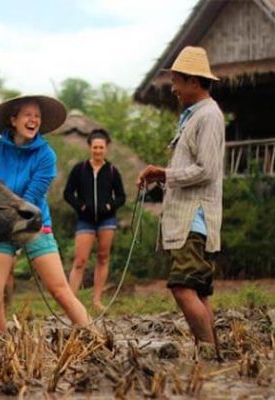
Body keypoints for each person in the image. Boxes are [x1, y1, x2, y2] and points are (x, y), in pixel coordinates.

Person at [137, 46, 224, 352]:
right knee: (198, 290)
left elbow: (206, 170)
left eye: (176, 81)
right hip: (189, 215)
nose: (173, 88)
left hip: (194, 217)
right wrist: (163, 175)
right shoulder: (193, 116)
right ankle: (214, 355)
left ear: (194, 82)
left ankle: (208, 352)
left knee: (182, 286)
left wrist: (164, 174)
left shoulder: (209, 116)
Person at [0, 95, 90, 331]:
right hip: (1, 225)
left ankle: (96, 339)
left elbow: (30, 200)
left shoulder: (46, 155)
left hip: (34, 224)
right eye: (28, 115)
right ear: (13, 120)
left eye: (37, 116)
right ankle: (2, 350)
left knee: (60, 291)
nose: (34, 120)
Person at [63, 129, 125, 311]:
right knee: (80, 260)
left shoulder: (112, 171)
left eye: (101, 147)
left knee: (103, 258)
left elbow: (121, 196)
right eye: (95, 147)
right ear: (90, 147)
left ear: (106, 149)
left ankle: (97, 300)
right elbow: (67, 193)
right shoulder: (79, 169)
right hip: (85, 221)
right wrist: (81, 206)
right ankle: (71, 301)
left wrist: (109, 206)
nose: (98, 151)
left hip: (107, 221)